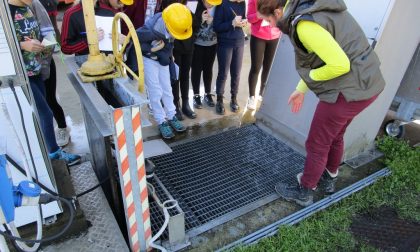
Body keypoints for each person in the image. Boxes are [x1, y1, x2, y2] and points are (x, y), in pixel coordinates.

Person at [257, 0, 385, 206]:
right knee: (336, 135)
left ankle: (305, 190)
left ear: (279, 11)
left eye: (269, 20)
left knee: (317, 143)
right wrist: (301, 89)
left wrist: (309, 77)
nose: (270, 26)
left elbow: (339, 64)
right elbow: (322, 57)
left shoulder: (304, 25)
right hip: (367, 83)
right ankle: (329, 178)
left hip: (348, 90)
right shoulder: (311, 6)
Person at [8, 0, 81, 165]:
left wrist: (43, 48)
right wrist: (21, 45)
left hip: (36, 70)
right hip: (20, 75)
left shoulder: (29, 6)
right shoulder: (4, 10)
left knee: (44, 110)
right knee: (44, 113)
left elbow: (47, 34)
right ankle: (52, 154)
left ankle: (48, 152)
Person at [136, 3, 192, 139]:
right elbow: (136, 41)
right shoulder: (150, 29)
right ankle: (161, 120)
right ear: (167, 24)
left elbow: (170, 40)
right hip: (150, 59)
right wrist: (152, 50)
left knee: (167, 88)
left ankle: (171, 115)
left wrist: (167, 51)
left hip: (164, 58)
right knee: (155, 91)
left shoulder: (172, 22)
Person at [31, 0, 71, 147]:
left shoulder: (35, 4)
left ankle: (62, 128)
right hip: (23, 72)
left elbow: (50, 35)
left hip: (43, 65)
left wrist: (43, 63)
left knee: (49, 101)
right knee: (36, 108)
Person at [160, 0, 199, 120]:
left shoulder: (188, 4)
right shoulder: (167, 3)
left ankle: (186, 103)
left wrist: (192, 39)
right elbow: (165, 24)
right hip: (174, 47)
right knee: (175, 76)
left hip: (188, 46)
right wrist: (169, 49)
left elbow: (196, 24)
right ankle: (176, 104)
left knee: (185, 75)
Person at [61, 0, 130, 60]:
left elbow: (123, 45)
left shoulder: (111, 12)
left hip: (110, 63)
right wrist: (89, 40)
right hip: (85, 65)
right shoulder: (71, 14)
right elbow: (65, 48)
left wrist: (124, 41)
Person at [213, 0, 247, 115]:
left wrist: (243, 22)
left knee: (236, 73)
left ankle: (234, 98)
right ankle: (219, 100)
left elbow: (244, 17)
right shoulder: (222, 4)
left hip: (239, 41)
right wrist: (232, 23)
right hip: (225, 42)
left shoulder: (242, 3)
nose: (241, 1)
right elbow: (216, 26)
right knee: (223, 73)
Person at [246, 0, 280, 110]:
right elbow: (249, 18)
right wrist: (259, 15)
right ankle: (251, 97)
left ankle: (262, 93)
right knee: (256, 67)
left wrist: (278, 14)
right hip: (258, 36)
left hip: (274, 36)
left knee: (268, 68)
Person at [191, 0, 222, 109]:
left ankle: (207, 93)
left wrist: (211, 23)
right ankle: (196, 95)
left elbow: (220, 25)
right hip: (197, 44)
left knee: (208, 69)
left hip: (212, 43)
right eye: (209, 2)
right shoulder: (194, 6)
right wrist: (200, 20)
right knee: (196, 69)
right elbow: (190, 28)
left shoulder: (218, 7)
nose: (211, 5)